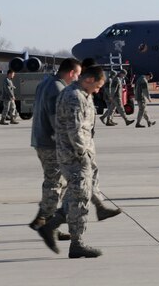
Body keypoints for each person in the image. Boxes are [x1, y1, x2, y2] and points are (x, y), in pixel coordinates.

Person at [37, 66, 118, 258]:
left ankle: (51, 226)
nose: (98, 91)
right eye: (98, 86)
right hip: (74, 156)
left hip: (79, 154)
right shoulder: (74, 96)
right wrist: (83, 153)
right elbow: (75, 129)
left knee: (78, 194)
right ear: (89, 80)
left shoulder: (82, 94)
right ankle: (77, 244)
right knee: (80, 198)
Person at [29, 58, 82, 239]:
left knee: (55, 181)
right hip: (51, 143)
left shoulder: (45, 82)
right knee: (55, 183)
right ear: (70, 73)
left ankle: (44, 219)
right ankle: (45, 223)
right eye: (77, 75)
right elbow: (56, 120)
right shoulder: (58, 89)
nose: (77, 79)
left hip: (40, 139)